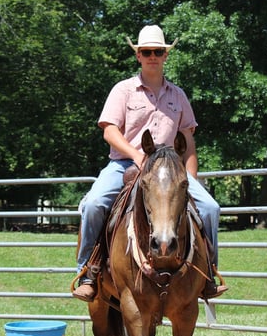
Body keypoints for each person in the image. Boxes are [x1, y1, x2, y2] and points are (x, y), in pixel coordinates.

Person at [73, 24, 228, 302]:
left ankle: (208, 272)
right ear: (138, 56)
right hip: (124, 165)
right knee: (94, 204)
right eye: (146, 52)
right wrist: (135, 155)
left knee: (211, 208)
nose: (152, 56)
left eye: (158, 51)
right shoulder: (123, 90)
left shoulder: (178, 95)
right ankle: (88, 270)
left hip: (169, 171)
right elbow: (109, 130)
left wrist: (188, 179)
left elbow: (188, 140)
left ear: (166, 55)